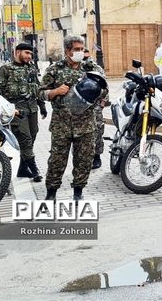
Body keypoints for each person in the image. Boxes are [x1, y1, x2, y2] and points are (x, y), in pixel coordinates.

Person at [39, 35, 105, 201]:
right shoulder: (55, 69)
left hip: (86, 123)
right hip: (62, 123)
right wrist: (54, 92)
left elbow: (104, 89)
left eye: (82, 49)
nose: (80, 52)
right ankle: (51, 193)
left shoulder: (91, 68)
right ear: (68, 51)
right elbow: (39, 93)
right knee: (57, 160)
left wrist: (94, 94)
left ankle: (78, 192)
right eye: (77, 49)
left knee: (84, 160)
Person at [0, 42, 47, 182]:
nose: (29, 56)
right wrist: (2, 106)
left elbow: (37, 88)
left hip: (32, 108)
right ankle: (34, 170)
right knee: (25, 139)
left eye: (31, 54)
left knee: (32, 136)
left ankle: (23, 169)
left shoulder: (32, 68)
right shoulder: (6, 69)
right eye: (26, 53)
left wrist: (42, 106)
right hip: (16, 110)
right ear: (17, 52)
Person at [83, 48, 109, 169]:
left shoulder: (97, 69)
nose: (86, 59)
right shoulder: (74, 69)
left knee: (98, 130)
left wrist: (103, 102)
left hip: (95, 105)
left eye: (87, 57)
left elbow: (105, 86)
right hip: (79, 106)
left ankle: (97, 157)